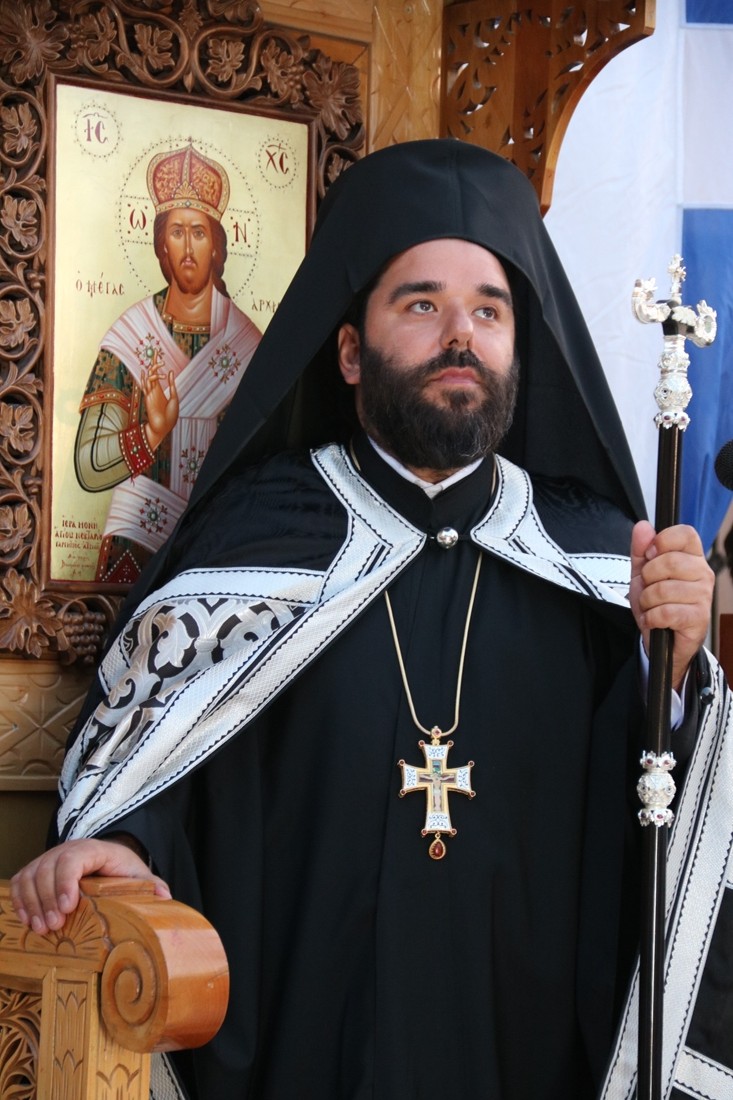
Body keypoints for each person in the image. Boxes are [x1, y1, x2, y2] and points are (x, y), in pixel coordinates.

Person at [12, 141, 732, 1100]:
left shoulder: (597, 563)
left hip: (524, 1049)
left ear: (520, 348)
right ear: (349, 351)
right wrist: (126, 844)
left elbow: (656, 822)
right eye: (421, 304)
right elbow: (171, 762)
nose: (460, 335)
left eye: (489, 310)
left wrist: (675, 672)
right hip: (305, 1040)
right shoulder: (257, 536)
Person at [75, 141, 261, 584]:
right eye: (177, 232)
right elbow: (88, 465)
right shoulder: (131, 335)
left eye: (199, 232)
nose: (188, 248)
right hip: (134, 546)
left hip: (216, 550)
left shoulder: (250, 347)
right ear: (161, 246)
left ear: (217, 247)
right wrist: (152, 432)